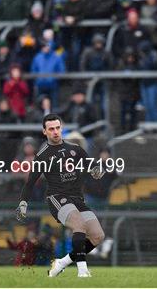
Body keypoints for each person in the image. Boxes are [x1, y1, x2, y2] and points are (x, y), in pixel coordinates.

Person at [16, 114, 106, 278]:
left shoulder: (75, 149)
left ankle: (62, 262)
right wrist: (23, 203)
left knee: (98, 236)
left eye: (58, 128)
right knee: (79, 225)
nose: (55, 132)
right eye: (51, 129)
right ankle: (83, 271)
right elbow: (29, 184)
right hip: (57, 198)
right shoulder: (42, 156)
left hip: (77, 199)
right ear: (44, 131)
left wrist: (97, 170)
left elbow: (91, 164)